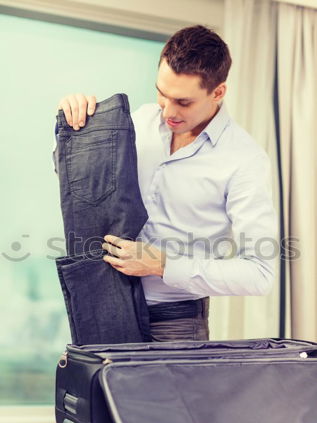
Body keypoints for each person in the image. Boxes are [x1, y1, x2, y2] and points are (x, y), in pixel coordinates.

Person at [56, 25, 277, 342]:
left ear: (218, 92)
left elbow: (260, 275)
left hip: (175, 324)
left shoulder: (245, 160)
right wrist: (75, 125)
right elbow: (75, 181)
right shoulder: (136, 123)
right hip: (101, 313)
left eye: (183, 102)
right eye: (161, 92)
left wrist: (164, 265)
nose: (168, 111)